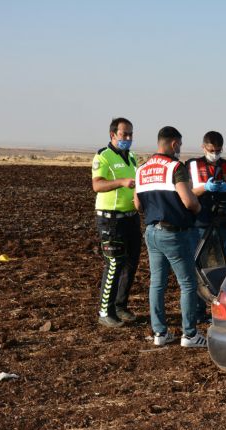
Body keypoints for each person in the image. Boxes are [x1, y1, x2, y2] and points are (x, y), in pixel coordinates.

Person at [134, 126, 206, 347]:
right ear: (174, 144)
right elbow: (189, 201)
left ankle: (159, 333)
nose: (180, 149)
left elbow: (136, 204)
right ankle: (190, 335)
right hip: (174, 234)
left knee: (157, 283)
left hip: (151, 232)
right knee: (187, 284)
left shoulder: (142, 168)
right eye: (180, 145)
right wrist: (196, 208)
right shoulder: (176, 167)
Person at [92, 117, 141, 328]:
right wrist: (121, 182)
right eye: (124, 134)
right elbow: (97, 185)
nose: (128, 138)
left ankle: (120, 306)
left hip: (131, 218)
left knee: (131, 263)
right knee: (114, 264)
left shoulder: (132, 157)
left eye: (130, 134)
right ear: (113, 135)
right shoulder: (103, 156)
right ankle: (105, 311)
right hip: (110, 219)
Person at [187, 131, 226, 321]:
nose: (214, 154)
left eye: (218, 150)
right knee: (198, 266)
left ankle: (222, 309)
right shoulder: (192, 166)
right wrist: (205, 188)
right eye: (211, 150)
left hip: (224, 221)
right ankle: (198, 311)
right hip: (200, 222)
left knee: (225, 266)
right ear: (203, 147)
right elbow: (187, 193)